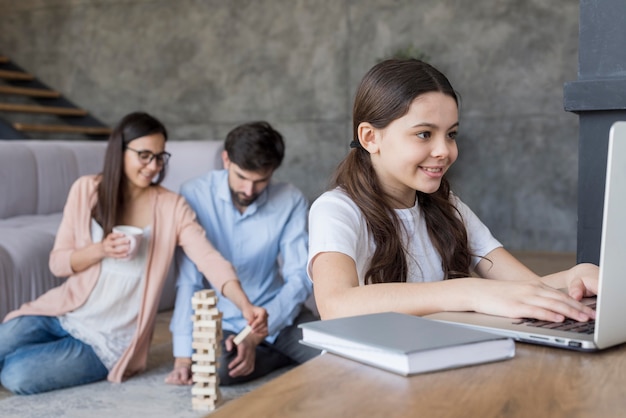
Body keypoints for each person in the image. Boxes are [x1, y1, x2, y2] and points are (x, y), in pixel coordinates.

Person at [308, 58, 599, 324]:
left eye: (451, 134)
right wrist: (469, 291)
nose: (444, 151)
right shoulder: (336, 209)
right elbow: (335, 304)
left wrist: (574, 276)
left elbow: (524, 288)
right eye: (424, 134)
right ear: (370, 137)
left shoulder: (446, 205)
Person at [0, 112, 267, 395]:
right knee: (4, 341)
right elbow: (58, 263)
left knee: (17, 374)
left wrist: (244, 304)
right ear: (120, 151)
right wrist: (100, 250)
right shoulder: (87, 190)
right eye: (144, 155)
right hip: (64, 312)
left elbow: (209, 260)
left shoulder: (172, 207)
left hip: (110, 338)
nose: (153, 166)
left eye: (160, 156)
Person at [166, 121, 320, 386]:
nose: (249, 191)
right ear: (226, 160)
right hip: (222, 318)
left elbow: (299, 277)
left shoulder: (291, 199)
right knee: (217, 372)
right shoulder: (194, 193)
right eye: (242, 178)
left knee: (336, 356)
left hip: (278, 312)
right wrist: (182, 356)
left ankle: (266, 350)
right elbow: (189, 278)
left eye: (261, 181)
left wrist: (256, 334)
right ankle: (280, 354)